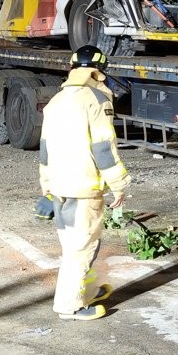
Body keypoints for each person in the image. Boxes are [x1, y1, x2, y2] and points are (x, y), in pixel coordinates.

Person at [39, 44, 131, 321]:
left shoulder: (56, 100)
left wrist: (46, 184)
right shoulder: (97, 100)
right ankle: (71, 307)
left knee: (75, 245)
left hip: (59, 186)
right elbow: (104, 148)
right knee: (82, 248)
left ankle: (87, 291)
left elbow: (44, 148)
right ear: (99, 72)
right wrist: (119, 183)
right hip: (83, 187)